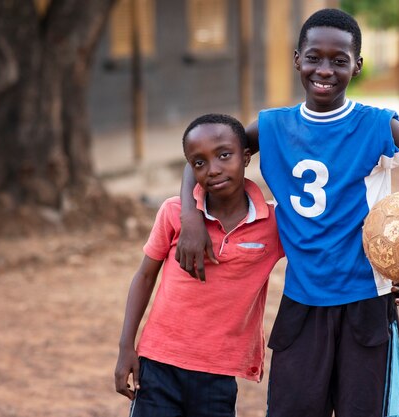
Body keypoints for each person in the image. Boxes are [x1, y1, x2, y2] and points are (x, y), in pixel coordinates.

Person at [176, 8, 399, 417]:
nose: (325, 70)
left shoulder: (378, 126)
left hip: (366, 303)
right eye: (314, 57)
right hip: (302, 303)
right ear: (297, 58)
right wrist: (190, 218)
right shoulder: (271, 127)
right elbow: (202, 155)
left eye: (339, 60)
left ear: (358, 66)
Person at [114, 114, 286, 417]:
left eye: (224, 155)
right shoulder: (174, 212)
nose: (214, 169)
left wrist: (382, 279)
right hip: (158, 364)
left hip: (218, 372)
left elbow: (322, 252)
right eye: (200, 163)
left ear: (246, 157)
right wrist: (126, 347)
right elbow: (144, 277)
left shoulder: (273, 223)